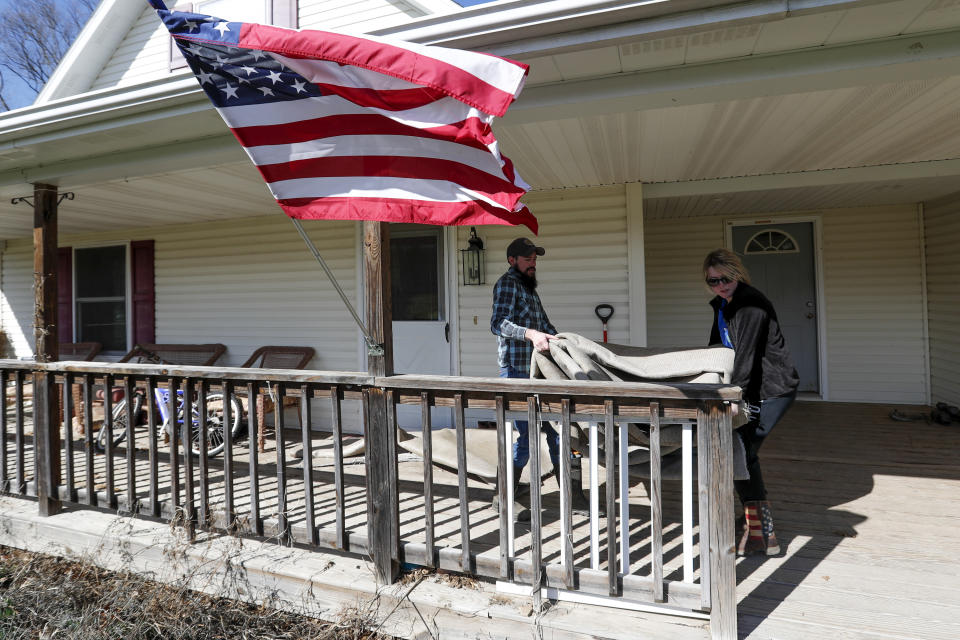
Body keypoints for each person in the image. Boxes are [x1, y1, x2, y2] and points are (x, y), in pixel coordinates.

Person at [704, 248, 799, 556]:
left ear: (738, 274)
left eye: (726, 278)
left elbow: (746, 357)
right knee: (739, 451)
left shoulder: (750, 306)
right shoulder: (723, 304)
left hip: (771, 389)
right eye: (713, 281)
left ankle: (762, 533)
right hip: (749, 388)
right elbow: (716, 348)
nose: (720, 285)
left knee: (741, 451)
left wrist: (735, 396)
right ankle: (753, 519)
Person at [490, 237, 587, 518]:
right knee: (527, 436)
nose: (533, 263)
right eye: (528, 258)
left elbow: (546, 325)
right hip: (517, 370)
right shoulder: (507, 284)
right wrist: (530, 334)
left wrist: (563, 344)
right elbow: (498, 324)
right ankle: (503, 494)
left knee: (558, 433)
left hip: (540, 372)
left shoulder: (530, 289)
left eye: (535, 258)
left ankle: (572, 495)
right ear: (513, 261)